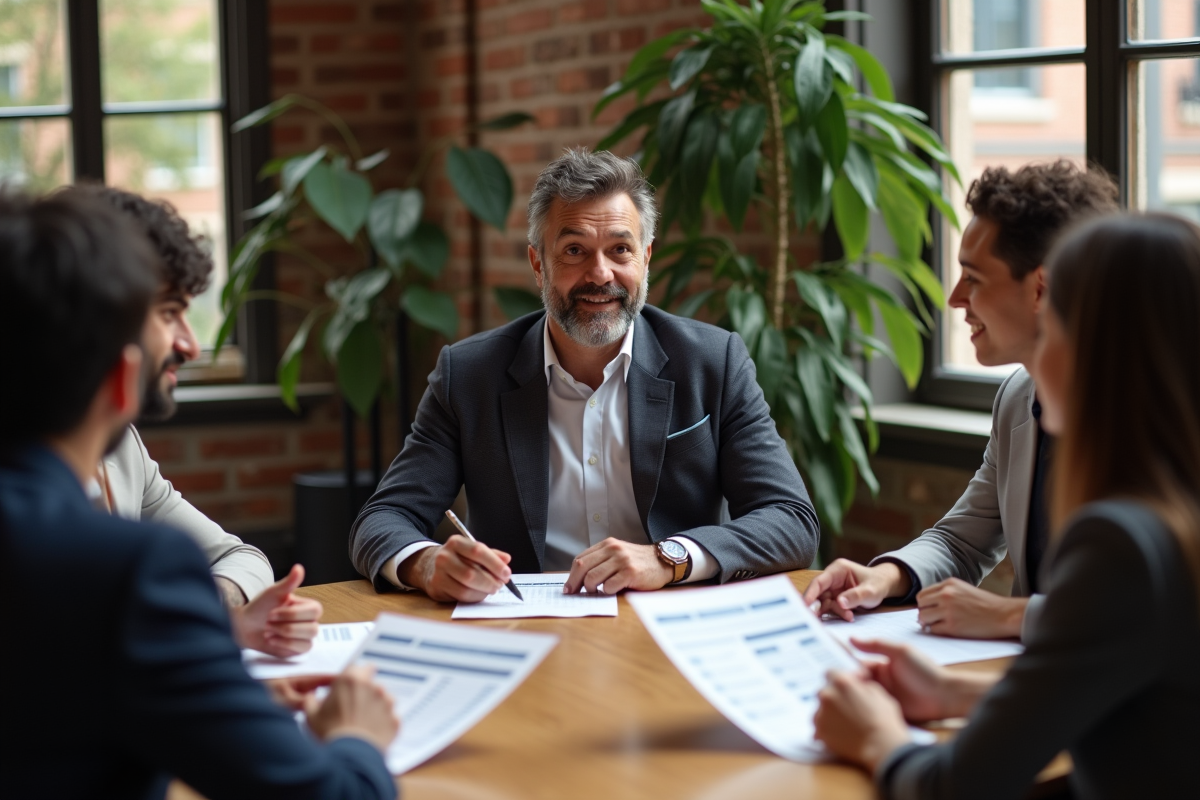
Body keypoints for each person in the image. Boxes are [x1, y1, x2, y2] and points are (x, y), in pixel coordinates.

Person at [0, 189, 399, 799]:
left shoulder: (115, 470)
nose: (188, 343)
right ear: (121, 375)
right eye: (166, 314)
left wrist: (196, 683)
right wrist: (357, 736)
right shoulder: (134, 573)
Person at [812, 212, 1200, 799]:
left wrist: (874, 736)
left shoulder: (1122, 542)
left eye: (1056, 326)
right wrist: (951, 692)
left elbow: (952, 788)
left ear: (1096, 350)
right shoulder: (1166, 510)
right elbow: (1136, 699)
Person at [351, 148, 819, 602]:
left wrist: (668, 558)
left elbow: (791, 518)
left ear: (646, 258)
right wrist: (427, 563)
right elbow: (383, 518)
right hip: (524, 627)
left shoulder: (713, 363)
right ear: (538, 263)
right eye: (574, 250)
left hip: (668, 624)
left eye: (620, 250)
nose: (600, 274)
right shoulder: (470, 375)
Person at [805, 161, 1118, 640]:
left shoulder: (1152, 412)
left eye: (973, 278)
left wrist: (1009, 616)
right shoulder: (1018, 397)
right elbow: (962, 541)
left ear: (1040, 288)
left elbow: (1155, 604)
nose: (954, 298)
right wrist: (884, 577)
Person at [82, 185, 322, 659]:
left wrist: (214, 614)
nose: (192, 346)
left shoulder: (121, 446)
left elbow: (241, 557)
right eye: (170, 313)